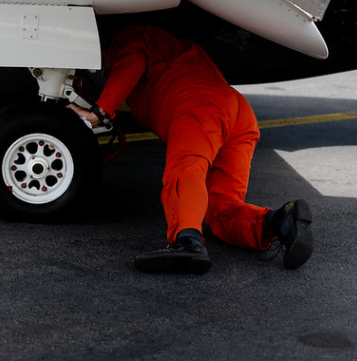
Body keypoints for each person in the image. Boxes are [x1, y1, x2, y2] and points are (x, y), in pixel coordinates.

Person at [68, 25, 313, 274]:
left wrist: (98, 112)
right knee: (220, 209)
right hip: (238, 113)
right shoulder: (181, 49)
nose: (103, 70)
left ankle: (187, 243)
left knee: (184, 172)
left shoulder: (130, 37)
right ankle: (278, 222)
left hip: (198, 108)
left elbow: (130, 60)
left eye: (102, 62)